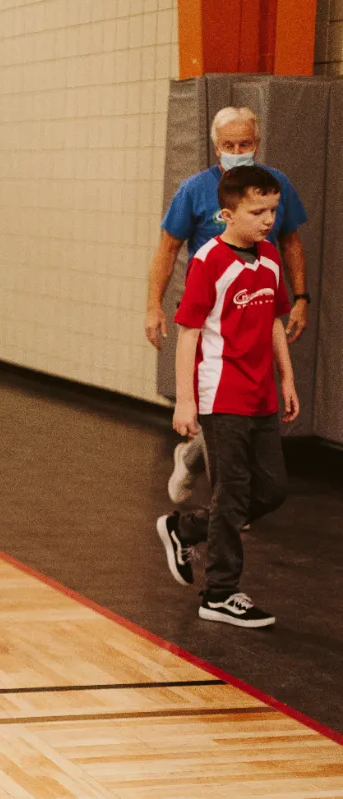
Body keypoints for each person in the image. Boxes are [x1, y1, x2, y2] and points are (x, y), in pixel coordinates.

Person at [144, 107, 310, 505]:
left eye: (245, 144)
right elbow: (168, 247)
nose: (237, 150)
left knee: (244, 406)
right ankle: (227, 509)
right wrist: (154, 305)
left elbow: (290, 242)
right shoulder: (194, 189)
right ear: (216, 147)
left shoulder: (275, 185)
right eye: (229, 145)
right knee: (215, 403)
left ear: (257, 143)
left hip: (254, 306)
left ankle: (205, 471)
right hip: (208, 312)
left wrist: (300, 298)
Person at [155, 165, 297, 628]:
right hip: (221, 394)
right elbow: (189, 332)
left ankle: (186, 527)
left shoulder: (272, 256)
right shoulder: (209, 261)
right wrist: (185, 399)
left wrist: (287, 379)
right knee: (232, 493)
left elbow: (276, 321)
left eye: (273, 210)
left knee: (272, 490)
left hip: (262, 396)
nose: (267, 219)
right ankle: (219, 592)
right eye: (257, 211)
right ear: (226, 213)